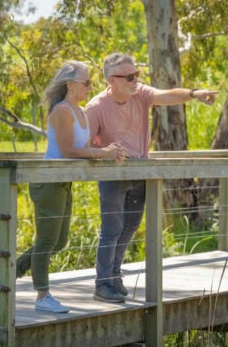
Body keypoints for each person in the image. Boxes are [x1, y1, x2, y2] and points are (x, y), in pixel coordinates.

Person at [86, 53, 218, 303]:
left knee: (130, 227)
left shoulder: (140, 93)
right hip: (112, 177)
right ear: (112, 80)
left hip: (141, 172)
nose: (135, 80)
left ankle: (114, 277)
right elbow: (85, 146)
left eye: (135, 74)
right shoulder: (95, 108)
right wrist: (105, 154)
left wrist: (194, 93)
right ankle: (102, 284)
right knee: (112, 229)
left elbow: (166, 96)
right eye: (129, 76)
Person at [17, 60, 127, 314]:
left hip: (64, 182)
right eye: (86, 82)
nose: (90, 86)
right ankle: (42, 296)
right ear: (70, 84)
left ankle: (12, 269)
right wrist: (102, 153)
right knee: (46, 240)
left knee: (60, 242)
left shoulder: (81, 111)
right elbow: (68, 151)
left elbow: (86, 147)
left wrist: (113, 150)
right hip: (49, 181)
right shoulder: (62, 111)